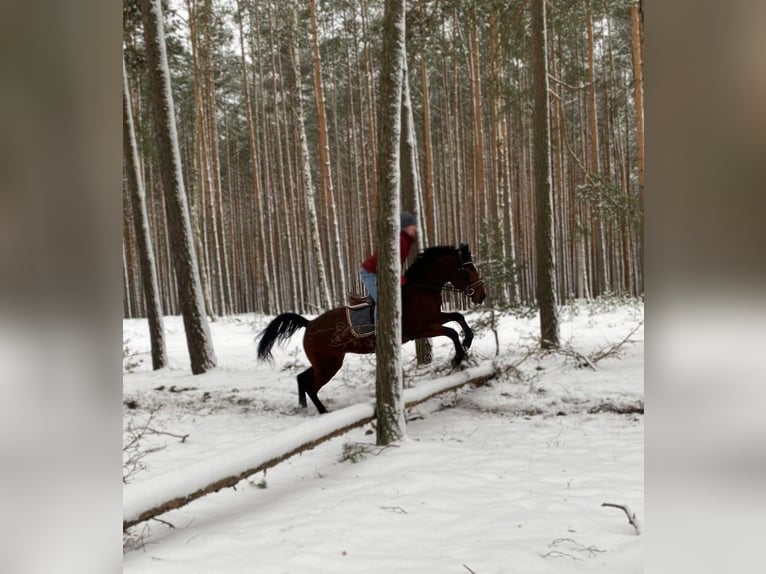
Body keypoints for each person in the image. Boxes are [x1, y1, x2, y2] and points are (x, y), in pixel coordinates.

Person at [359, 211, 418, 324]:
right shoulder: (400, 241)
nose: (415, 228)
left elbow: (396, 262)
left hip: (379, 272)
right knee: (383, 302)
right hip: (370, 273)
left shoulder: (405, 241)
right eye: (413, 225)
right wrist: (398, 278)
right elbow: (388, 263)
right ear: (405, 227)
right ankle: (379, 335)